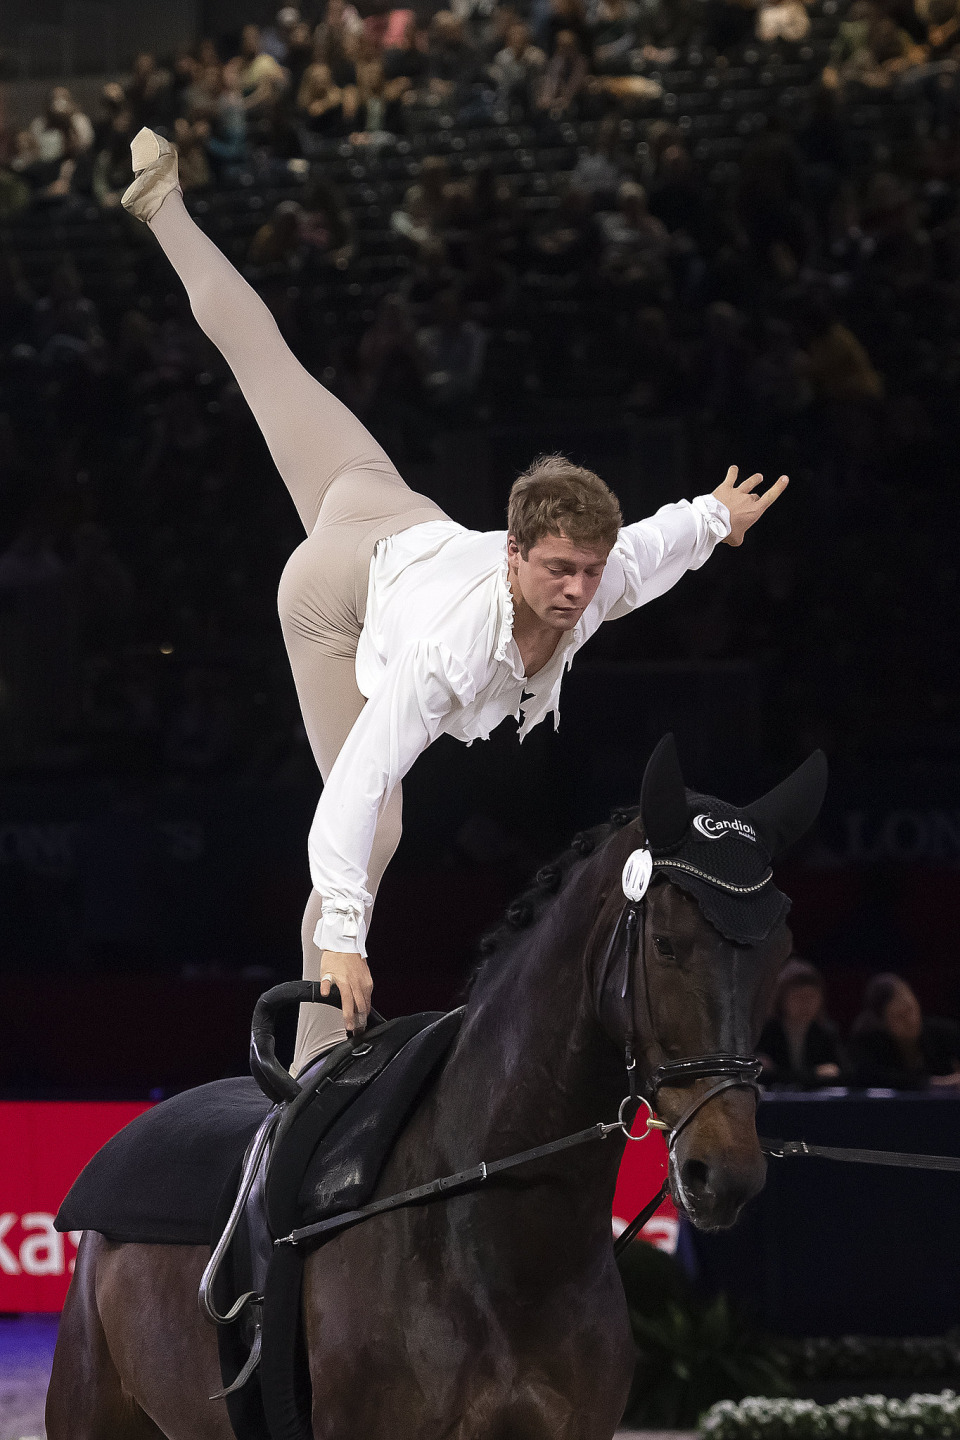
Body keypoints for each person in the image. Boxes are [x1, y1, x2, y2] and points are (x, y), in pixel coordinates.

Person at [119, 127, 789, 1074]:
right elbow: (350, 792)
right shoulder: (454, 651)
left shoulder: (595, 581)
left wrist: (716, 518)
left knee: (270, 366)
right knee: (380, 817)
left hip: (383, 507)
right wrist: (346, 936)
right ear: (515, 555)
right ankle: (312, 1061)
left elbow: (652, 547)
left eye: (588, 571)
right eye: (558, 569)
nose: (577, 589)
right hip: (334, 598)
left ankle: (162, 207)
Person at [849, 973, 960, 1089]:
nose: (911, 1020)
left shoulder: (944, 1032)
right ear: (882, 1022)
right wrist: (934, 1084)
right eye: (900, 1016)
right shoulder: (868, 1042)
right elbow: (869, 1077)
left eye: (911, 1009)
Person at [756, 958, 844, 1086]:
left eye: (811, 997)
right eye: (798, 997)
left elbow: (840, 1073)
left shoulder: (825, 1032)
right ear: (782, 999)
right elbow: (766, 1075)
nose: (805, 1004)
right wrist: (814, 1074)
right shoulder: (766, 1032)